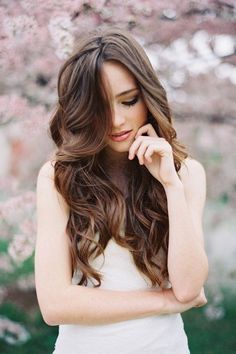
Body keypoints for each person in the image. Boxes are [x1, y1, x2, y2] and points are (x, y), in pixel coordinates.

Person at [34, 27, 209, 354]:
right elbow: (55, 303)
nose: (116, 120)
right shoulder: (59, 177)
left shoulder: (187, 174)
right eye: (100, 106)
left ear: (148, 94)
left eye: (129, 100)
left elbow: (188, 287)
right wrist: (164, 301)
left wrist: (170, 184)